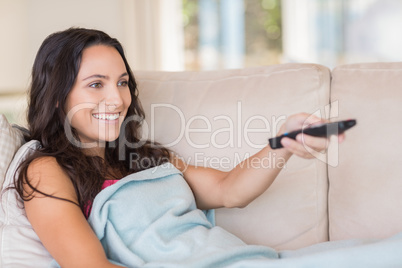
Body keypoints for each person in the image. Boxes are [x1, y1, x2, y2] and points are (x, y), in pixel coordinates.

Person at [14, 28, 341, 267]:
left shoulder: (143, 157)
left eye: (122, 82)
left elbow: (230, 191)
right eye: (96, 84)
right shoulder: (46, 170)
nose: (117, 99)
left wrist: (283, 141)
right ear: (57, 96)